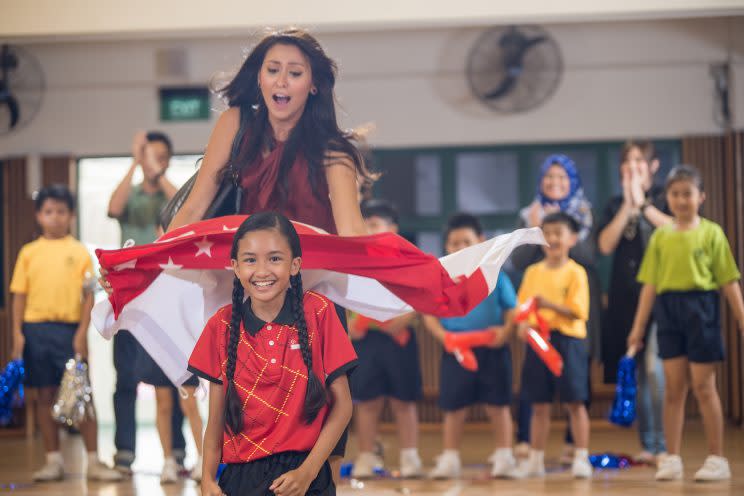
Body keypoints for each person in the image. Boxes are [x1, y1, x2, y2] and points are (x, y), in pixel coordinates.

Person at [188, 212, 357, 495]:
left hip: (306, 477)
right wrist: (207, 478)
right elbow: (216, 419)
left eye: (275, 258)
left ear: (295, 265)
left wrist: (308, 472)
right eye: (250, 259)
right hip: (241, 479)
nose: (262, 270)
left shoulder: (319, 311)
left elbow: (343, 407)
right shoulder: (222, 324)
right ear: (235, 267)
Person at [628, 165, 744, 482]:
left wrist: (741, 316)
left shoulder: (712, 233)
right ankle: (672, 457)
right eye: (675, 194)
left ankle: (717, 457)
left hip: (701, 308)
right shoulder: (661, 236)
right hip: (668, 311)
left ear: (701, 197)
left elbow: (728, 280)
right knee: (673, 389)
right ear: (668, 197)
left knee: (705, 387)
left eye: (687, 194)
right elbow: (649, 286)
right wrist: (638, 329)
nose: (681, 200)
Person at [10, 184, 122, 482]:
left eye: (61, 211)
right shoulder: (28, 252)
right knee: (44, 394)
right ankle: (53, 460)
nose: (55, 217)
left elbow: (88, 297)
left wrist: (81, 333)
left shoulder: (80, 252)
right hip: (35, 331)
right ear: (38, 216)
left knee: (82, 396)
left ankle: (94, 461)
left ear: (71, 215)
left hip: (69, 331)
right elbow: (18, 296)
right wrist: (17, 334)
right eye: (49, 212)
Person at [107, 131, 199, 480]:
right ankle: (124, 454)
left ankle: (176, 453)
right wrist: (135, 162)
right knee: (126, 378)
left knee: (174, 379)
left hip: (168, 302)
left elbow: (183, 209)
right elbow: (114, 209)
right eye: (148, 155)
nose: (151, 161)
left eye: (159, 156)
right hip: (132, 301)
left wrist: (156, 172)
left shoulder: (173, 199)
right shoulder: (130, 195)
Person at [509, 154, 600, 463]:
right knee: (537, 398)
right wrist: (534, 230)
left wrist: (550, 305)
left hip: (570, 329)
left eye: (562, 178)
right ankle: (532, 452)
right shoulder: (529, 214)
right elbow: (519, 264)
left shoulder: (584, 214)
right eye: (549, 177)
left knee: (576, 394)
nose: (555, 183)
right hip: (537, 331)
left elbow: (590, 257)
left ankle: (577, 450)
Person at [422, 213, 519, 479]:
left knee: (499, 405)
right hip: (455, 350)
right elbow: (428, 314)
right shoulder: (441, 278)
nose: (461, 247)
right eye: (454, 243)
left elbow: (512, 309)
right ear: (446, 247)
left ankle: (504, 456)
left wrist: (506, 331)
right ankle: (450, 458)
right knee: (453, 407)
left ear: (481, 241)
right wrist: (443, 337)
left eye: (467, 241)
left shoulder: (494, 274)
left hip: (493, 347)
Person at [598, 141, 672, 463]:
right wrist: (627, 207)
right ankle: (649, 443)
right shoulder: (616, 203)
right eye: (627, 163)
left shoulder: (665, 199)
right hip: (625, 301)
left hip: (662, 299)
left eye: (639, 161)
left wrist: (643, 206)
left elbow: (676, 232)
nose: (633, 168)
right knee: (638, 372)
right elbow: (604, 245)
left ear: (653, 166)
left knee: (656, 370)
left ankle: (663, 442)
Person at [514, 212, 593, 479]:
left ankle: (581, 456)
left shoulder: (577, 272)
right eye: (547, 233)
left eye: (559, 232)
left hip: (568, 341)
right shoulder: (532, 272)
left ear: (572, 238)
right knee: (538, 404)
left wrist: (548, 305)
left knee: (575, 402)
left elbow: (578, 311)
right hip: (538, 343)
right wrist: (522, 325)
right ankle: (535, 459)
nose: (553, 238)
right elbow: (522, 308)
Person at [348, 200, 423, 479]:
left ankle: (410, 457)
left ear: (393, 229)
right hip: (366, 341)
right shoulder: (354, 261)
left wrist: (406, 318)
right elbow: (343, 296)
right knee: (367, 401)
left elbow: (420, 296)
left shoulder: (408, 258)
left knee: (404, 401)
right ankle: (366, 457)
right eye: (366, 224)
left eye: (376, 224)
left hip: (399, 337)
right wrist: (350, 324)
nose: (370, 229)